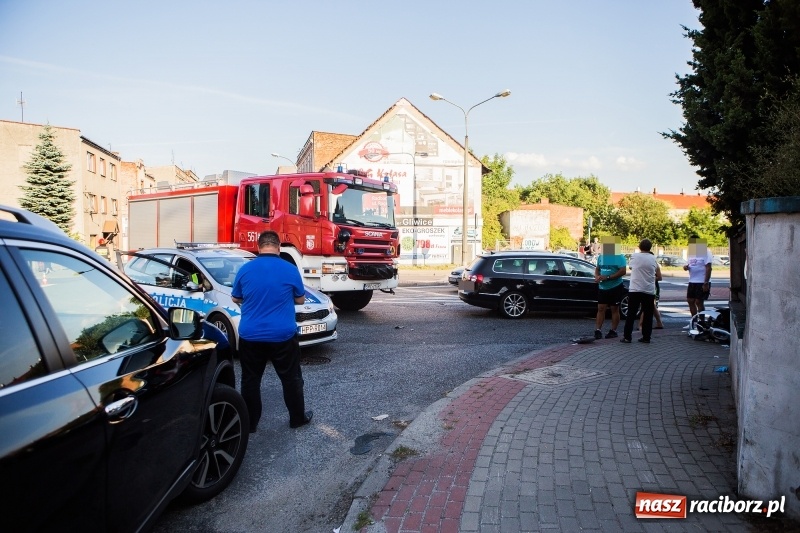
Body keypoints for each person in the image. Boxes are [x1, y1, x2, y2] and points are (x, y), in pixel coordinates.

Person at [231, 230, 313, 432]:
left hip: (251, 335)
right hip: (282, 335)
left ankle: (250, 424)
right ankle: (297, 419)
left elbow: (236, 297)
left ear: (259, 247)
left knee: (250, 380)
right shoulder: (289, 268)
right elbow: (300, 299)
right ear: (278, 247)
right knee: (291, 378)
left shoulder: (245, 269)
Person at [621, 239, 661, 344]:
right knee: (648, 314)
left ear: (639, 247)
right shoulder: (653, 258)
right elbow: (658, 273)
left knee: (631, 314)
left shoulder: (634, 256)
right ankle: (646, 337)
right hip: (648, 290)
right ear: (650, 247)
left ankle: (627, 337)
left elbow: (630, 267)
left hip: (635, 289)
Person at [593, 236, 627, 339]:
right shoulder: (601, 257)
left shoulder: (619, 257)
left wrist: (608, 277)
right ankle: (598, 330)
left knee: (614, 309)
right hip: (602, 287)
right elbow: (597, 269)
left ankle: (613, 330)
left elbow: (623, 271)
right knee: (601, 308)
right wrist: (597, 276)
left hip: (615, 286)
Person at [683, 235, 713, 317]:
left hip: (702, 281)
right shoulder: (691, 253)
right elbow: (691, 264)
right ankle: (694, 319)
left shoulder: (706, 252)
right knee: (690, 300)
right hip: (692, 280)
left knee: (698, 302)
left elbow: (709, 268)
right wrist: (686, 267)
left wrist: (706, 283)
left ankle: (701, 321)